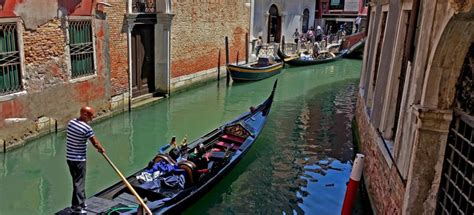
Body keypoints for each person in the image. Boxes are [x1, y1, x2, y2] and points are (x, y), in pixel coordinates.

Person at [66, 106, 105, 214]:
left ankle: (82, 202)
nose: (92, 118)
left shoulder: (71, 122)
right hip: (79, 159)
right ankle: (76, 207)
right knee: (79, 183)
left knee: (77, 181)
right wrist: (101, 149)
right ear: (84, 115)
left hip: (69, 158)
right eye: (91, 116)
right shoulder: (86, 128)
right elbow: (95, 143)